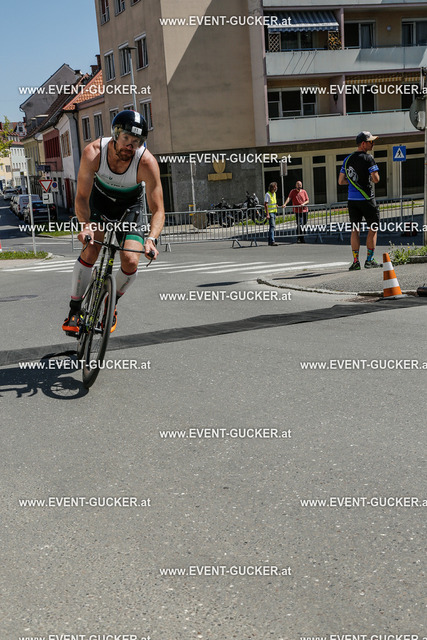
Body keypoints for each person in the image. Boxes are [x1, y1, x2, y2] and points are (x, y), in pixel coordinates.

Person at [62, 110, 165, 335]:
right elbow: (81, 197)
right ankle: (75, 310)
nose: (130, 145)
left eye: (136, 142)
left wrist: (151, 239)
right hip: (99, 203)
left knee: (131, 260)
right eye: (126, 138)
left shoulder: (146, 162)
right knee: (91, 249)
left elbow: (158, 210)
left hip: (130, 208)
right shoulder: (94, 153)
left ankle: (112, 301)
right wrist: (85, 225)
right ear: (116, 134)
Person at [338, 131, 382, 270]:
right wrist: (367, 179)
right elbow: (376, 179)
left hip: (352, 200)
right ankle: (369, 260)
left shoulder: (347, 159)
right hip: (367, 199)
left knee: (355, 230)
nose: (372, 144)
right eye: (370, 142)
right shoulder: (369, 158)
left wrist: (354, 182)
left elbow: (341, 181)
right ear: (363, 143)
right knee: (373, 228)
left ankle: (356, 262)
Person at [264, 182, 283, 246]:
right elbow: (266, 204)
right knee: (272, 226)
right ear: (272, 188)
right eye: (275, 187)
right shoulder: (267, 194)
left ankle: (270, 240)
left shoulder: (274, 194)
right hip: (270, 212)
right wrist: (267, 214)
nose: (276, 188)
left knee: (272, 227)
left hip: (274, 211)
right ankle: (272, 241)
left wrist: (276, 205)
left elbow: (273, 202)